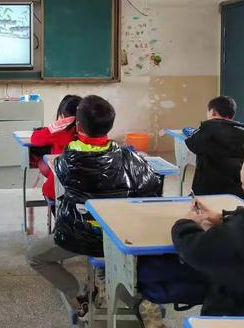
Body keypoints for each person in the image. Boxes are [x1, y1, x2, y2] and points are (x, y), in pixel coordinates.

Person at [26, 95, 163, 321]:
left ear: (78, 126)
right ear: (110, 125)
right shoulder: (129, 157)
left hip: (79, 237)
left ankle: (79, 293)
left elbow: (54, 186)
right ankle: (136, 298)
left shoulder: (65, 161)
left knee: (35, 256)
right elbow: (151, 191)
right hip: (120, 235)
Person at [172, 169, 244, 316]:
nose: (241, 187)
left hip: (233, 311)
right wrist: (225, 218)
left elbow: (193, 249)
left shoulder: (236, 232)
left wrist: (185, 223)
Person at [185, 95, 244, 197]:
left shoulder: (207, 129)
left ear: (213, 112)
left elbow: (192, 144)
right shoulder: (241, 131)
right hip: (235, 193)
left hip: (207, 191)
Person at [30, 95, 81, 202]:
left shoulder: (60, 129)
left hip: (60, 189)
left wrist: (55, 126)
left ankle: (59, 214)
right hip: (88, 189)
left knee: (42, 163)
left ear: (62, 115)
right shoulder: (90, 129)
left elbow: (35, 139)